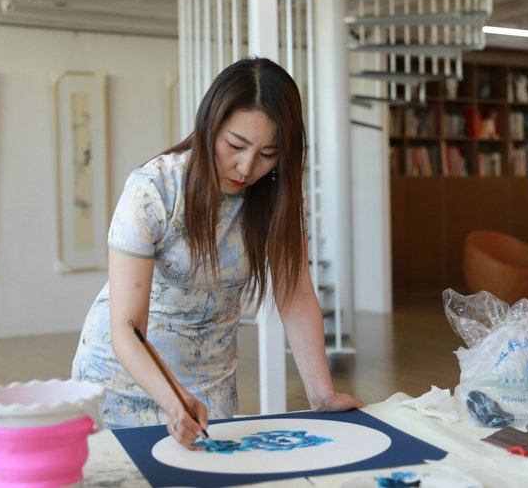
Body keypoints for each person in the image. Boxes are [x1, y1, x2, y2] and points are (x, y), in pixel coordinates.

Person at [72, 57, 364, 449]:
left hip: (211, 383)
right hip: (123, 379)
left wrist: (322, 395)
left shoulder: (279, 199)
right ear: (209, 124)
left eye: (268, 153)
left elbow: (295, 293)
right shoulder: (154, 189)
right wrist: (174, 402)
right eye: (235, 146)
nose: (246, 167)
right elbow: (128, 327)